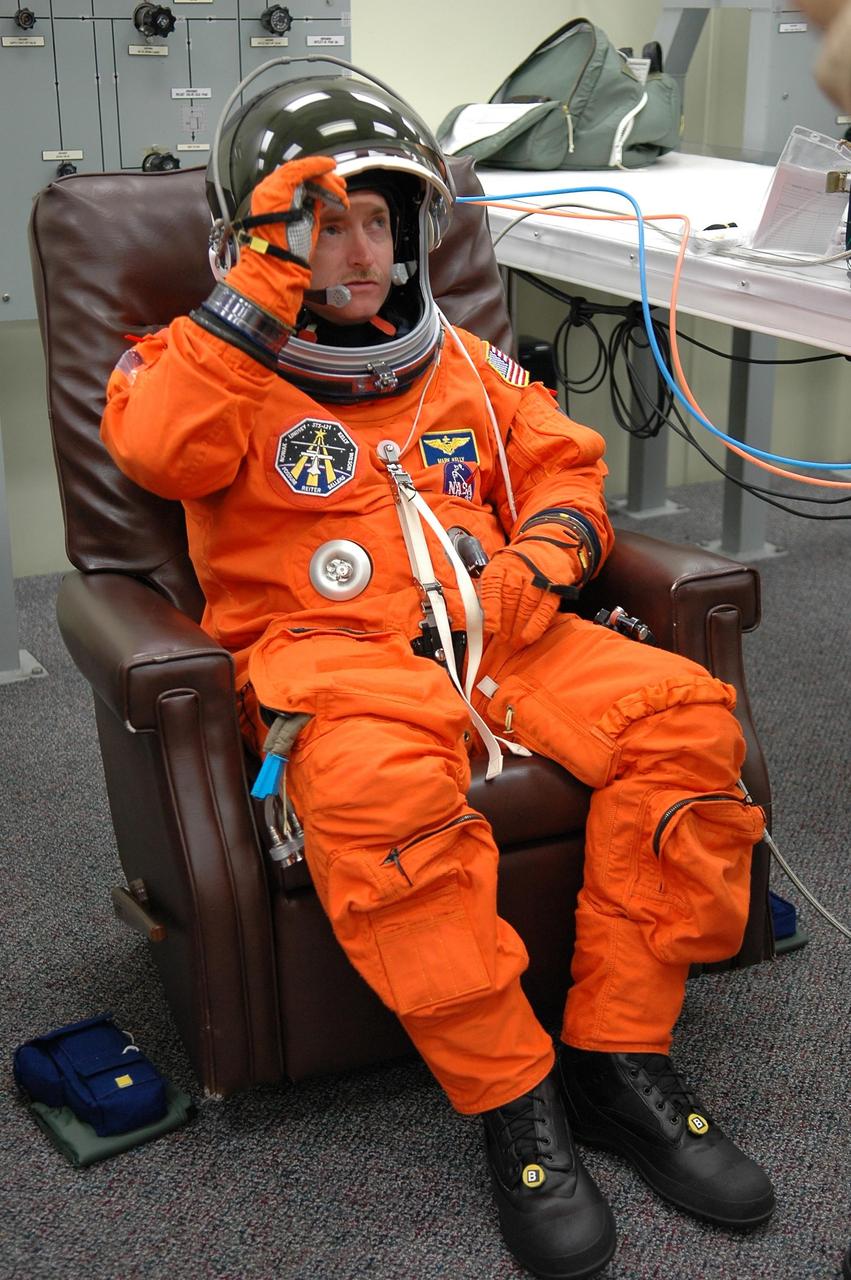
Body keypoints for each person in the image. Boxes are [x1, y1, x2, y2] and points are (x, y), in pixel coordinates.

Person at [100, 71, 774, 1280]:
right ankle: (514, 1102)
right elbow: (153, 447)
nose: (352, 251)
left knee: (685, 726)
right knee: (380, 811)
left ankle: (617, 1060)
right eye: (318, 222)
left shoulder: (462, 362)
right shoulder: (195, 370)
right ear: (256, 238)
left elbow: (567, 474)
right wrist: (259, 292)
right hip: (334, 662)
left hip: (501, 632)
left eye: (374, 220)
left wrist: (539, 560)